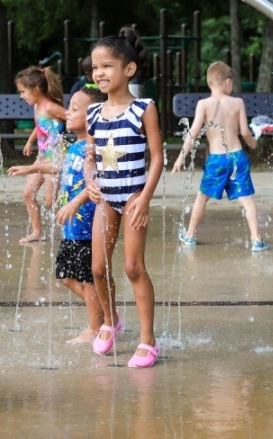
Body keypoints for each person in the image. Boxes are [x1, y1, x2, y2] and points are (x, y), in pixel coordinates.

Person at [84, 26, 163, 368]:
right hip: (105, 201)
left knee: (132, 267)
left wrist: (144, 199)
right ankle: (110, 320)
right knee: (98, 268)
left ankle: (148, 340)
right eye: (95, 67)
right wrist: (89, 181)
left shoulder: (143, 108)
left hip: (132, 197)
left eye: (106, 66)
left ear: (128, 69)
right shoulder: (93, 113)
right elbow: (91, 156)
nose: (98, 73)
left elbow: (158, 157)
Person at [8, 84, 106, 344]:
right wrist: (31, 169)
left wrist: (74, 204)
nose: (68, 113)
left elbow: (99, 182)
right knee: (65, 276)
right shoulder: (75, 147)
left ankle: (97, 328)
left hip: (87, 227)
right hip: (71, 227)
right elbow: (59, 164)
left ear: (93, 116)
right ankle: (106, 311)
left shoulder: (95, 149)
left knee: (86, 278)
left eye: (75, 109)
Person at [171, 61, 266, 251]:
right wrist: (254, 143)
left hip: (217, 159)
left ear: (209, 82)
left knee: (202, 198)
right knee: (247, 200)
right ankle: (257, 240)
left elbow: (194, 133)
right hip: (237, 156)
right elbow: (245, 132)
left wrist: (181, 157)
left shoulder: (203, 104)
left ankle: (190, 235)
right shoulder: (237, 103)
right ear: (228, 82)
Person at [16, 65, 66, 245]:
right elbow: (40, 126)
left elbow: (74, 118)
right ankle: (38, 232)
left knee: (50, 201)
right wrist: (30, 141)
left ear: (36, 89)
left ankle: (78, 222)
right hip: (42, 157)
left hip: (55, 159)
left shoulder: (51, 107)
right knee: (28, 193)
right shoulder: (37, 106)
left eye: (23, 92)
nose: (22, 96)